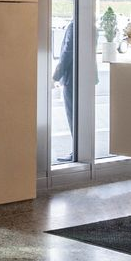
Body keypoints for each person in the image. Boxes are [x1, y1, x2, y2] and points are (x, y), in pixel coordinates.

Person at [53, 20, 78, 162]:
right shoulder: (91, 24)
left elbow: (67, 53)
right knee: (83, 116)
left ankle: (77, 151)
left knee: (73, 115)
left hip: (72, 78)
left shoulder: (74, 25)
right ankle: (82, 150)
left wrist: (56, 76)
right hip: (86, 78)